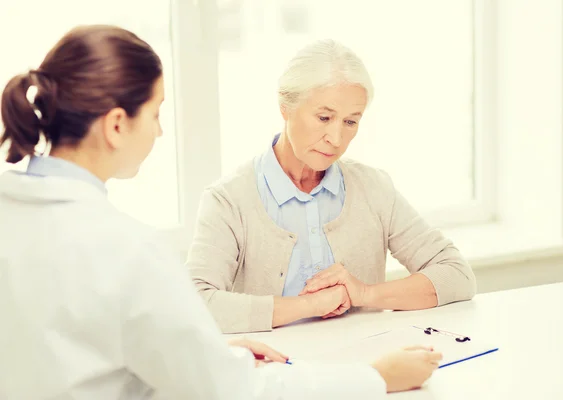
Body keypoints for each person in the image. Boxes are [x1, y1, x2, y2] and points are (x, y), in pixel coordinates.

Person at [0, 25, 442, 399]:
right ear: (117, 125)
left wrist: (217, 354)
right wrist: (375, 378)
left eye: (351, 121)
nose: (158, 131)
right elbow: (228, 392)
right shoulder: (127, 249)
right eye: (155, 114)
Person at [186, 39, 477, 334]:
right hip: (276, 374)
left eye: (350, 122)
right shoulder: (228, 200)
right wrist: (310, 306)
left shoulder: (373, 188)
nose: (336, 139)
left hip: (365, 367)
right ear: (285, 107)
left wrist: (363, 294)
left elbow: (456, 274)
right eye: (324, 117)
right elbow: (196, 305)